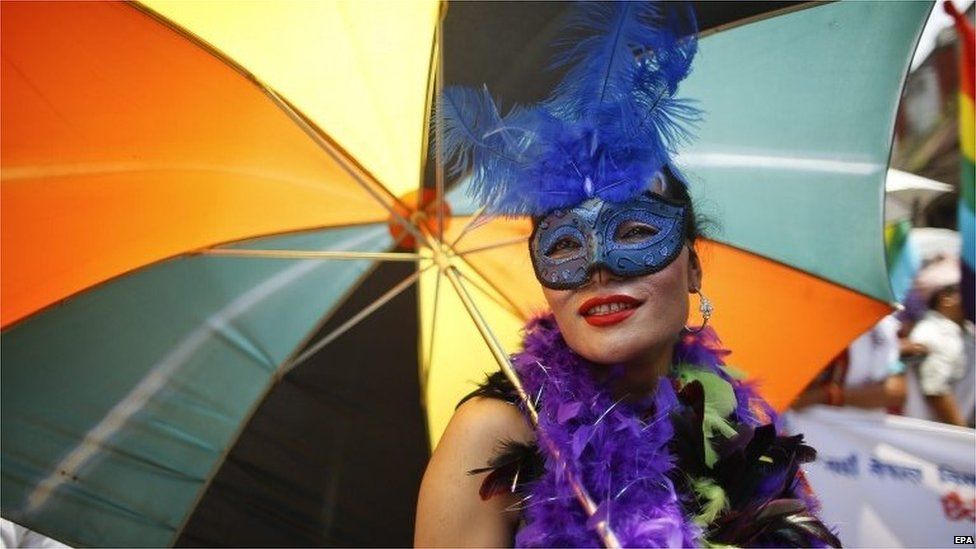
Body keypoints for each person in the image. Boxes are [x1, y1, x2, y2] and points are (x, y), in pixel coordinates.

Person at [415, 2, 838, 546]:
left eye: (635, 232)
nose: (597, 268)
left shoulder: (734, 430)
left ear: (692, 266)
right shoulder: (494, 435)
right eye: (565, 243)